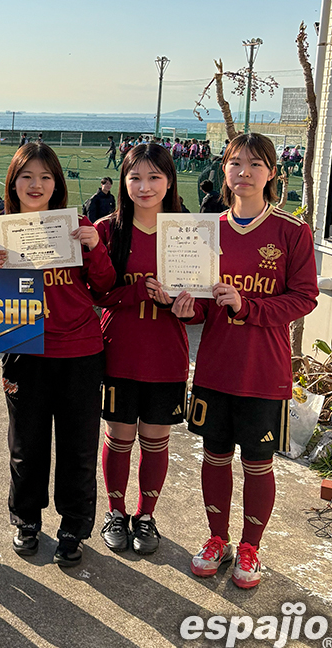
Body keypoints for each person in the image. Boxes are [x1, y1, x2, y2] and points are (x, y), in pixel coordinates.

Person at [167, 133, 318, 589]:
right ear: (224, 171)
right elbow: (201, 304)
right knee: (214, 457)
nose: (245, 172)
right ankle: (218, 539)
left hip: (264, 373)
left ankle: (251, 546)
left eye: (256, 164)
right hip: (214, 369)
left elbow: (304, 298)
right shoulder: (205, 231)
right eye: (236, 163)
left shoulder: (293, 232)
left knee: (257, 462)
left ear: (272, 173)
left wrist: (248, 305)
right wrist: (184, 307)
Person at [0, 143, 116, 566]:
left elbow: (105, 287)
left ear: (56, 183)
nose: (36, 184)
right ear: (13, 182)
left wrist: (95, 246)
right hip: (24, 349)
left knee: (78, 446)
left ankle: (74, 527)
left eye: (44, 176)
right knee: (27, 444)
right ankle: (26, 520)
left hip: (79, 351)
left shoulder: (77, 227)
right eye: (27, 176)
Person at [93, 144, 186, 556]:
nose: (144, 187)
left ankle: (146, 515)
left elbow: (202, 302)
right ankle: (115, 512)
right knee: (119, 435)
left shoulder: (190, 229)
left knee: (156, 438)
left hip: (166, 355)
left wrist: (183, 305)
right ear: (123, 182)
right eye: (135, 177)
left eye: (154, 177)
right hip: (119, 350)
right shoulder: (106, 230)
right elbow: (96, 291)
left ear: (169, 181)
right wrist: (133, 292)